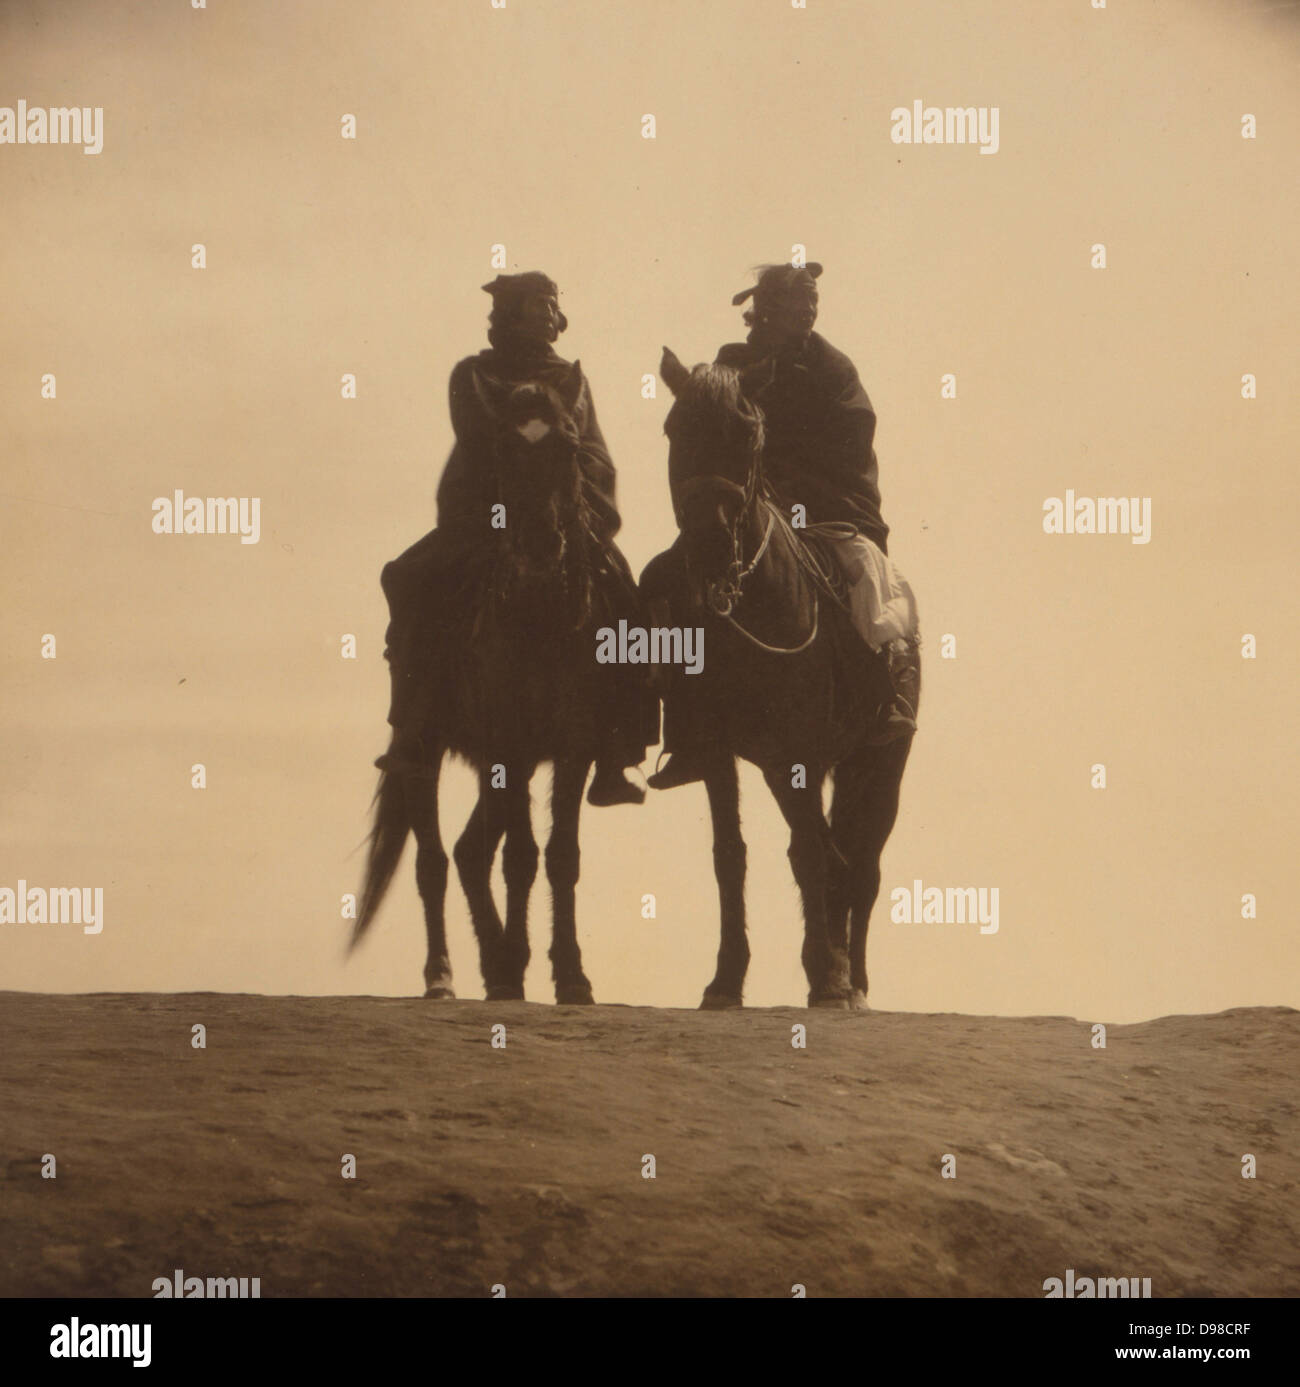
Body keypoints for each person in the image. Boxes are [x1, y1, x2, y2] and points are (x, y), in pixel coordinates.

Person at [645, 261, 920, 791]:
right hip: (743, 511)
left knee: (872, 586)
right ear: (765, 309)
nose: (811, 310)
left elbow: (851, 441)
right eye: (800, 301)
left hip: (830, 511)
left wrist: (790, 486)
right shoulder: (729, 365)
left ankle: (885, 700)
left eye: (813, 300)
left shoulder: (833, 369)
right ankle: (684, 732)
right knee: (664, 580)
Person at [379, 272, 648, 806]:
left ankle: (619, 750)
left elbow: (593, 450)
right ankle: (413, 725)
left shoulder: (572, 379)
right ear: (510, 313)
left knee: (627, 599)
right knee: (408, 579)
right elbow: (478, 448)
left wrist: (580, 501)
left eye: (553, 305)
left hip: (563, 514)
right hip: (488, 516)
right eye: (538, 305)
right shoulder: (473, 375)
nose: (549, 314)